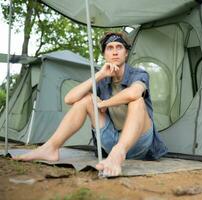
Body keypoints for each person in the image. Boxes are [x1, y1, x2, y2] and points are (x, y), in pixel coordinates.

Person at [13, 32, 168, 177]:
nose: (114, 52)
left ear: (126, 53)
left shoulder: (138, 74)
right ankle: (51, 147)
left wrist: (103, 104)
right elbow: (69, 98)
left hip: (139, 142)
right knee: (86, 99)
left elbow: (133, 93)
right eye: (110, 48)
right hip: (111, 138)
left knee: (137, 101)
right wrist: (99, 75)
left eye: (119, 47)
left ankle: (118, 153)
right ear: (105, 54)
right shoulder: (102, 80)